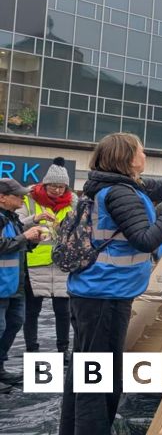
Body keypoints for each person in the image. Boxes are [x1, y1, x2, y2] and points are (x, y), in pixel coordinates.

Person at [59, 133, 162, 434]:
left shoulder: (116, 186)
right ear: (126, 157)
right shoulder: (120, 193)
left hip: (98, 293)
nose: (145, 154)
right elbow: (146, 239)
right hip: (104, 296)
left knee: (84, 373)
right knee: (99, 381)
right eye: (141, 150)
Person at [17, 157, 75, 357]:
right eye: (53, 186)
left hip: (61, 264)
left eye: (61, 187)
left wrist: (64, 229)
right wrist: (35, 219)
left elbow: (79, 229)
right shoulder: (29, 198)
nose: (57, 190)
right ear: (45, 183)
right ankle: (31, 349)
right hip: (34, 264)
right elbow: (15, 224)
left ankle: (63, 349)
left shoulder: (73, 201)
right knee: (32, 312)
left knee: (63, 311)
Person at [0, 178, 46, 394]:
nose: (22, 198)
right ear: (2, 197)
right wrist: (24, 236)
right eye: (17, 195)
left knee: (14, 323)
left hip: (13, 286)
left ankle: (0, 367)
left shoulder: (11, 217)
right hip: (2, 286)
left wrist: (32, 240)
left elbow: (18, 245)